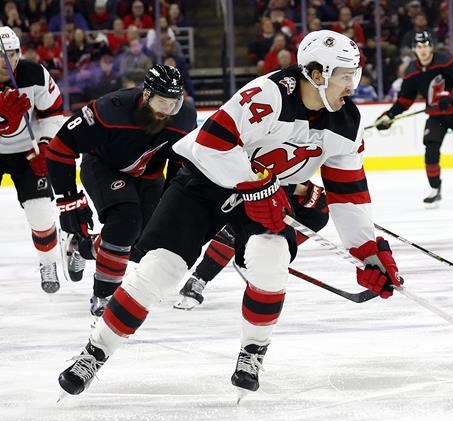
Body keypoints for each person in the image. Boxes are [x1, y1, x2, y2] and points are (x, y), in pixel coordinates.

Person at [57, 30, 402, 398]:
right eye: (345, 76)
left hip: (266, 191)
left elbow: (349, 194)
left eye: (354, 74)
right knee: (160, 269)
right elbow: (212, 144)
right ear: (317, 74)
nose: (352, 85)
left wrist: (366, 251)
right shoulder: (268, 95)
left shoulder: (348, 124)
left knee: (271, 258)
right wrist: (258, 184)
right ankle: (94, 353)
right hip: (206, 182)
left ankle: (252, 352)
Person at [45, 64, 197, 318]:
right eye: (162, 102)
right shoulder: (110, 109)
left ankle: (81, 247)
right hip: (104, 167)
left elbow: (180, 162)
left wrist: (173, 202)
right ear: (146, 95)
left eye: (174, 103)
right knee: (126, 221)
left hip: (148, 177)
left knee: (142, 244)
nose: (168, 110)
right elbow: (59, 149)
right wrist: (69, 201)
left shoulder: (185, 118)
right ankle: (104, 298)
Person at [375, 31, 453, 207]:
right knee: (431, 150)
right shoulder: (411, 71)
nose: (423, 50)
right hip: (437, 116)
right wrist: (389, 115)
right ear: (414, 49)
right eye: (419, 46)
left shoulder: (447, 60)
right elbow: (405, 100)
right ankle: (435, 189)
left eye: (426, 46)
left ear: (432, 47)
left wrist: (451, 94)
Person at [174, 181, 329, 310]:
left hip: (283, 189)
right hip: (251, 187)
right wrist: (300, 189)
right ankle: (199, 279)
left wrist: (311, 192)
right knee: (245, 221)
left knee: (319, 214)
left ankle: (265, 257)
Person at [0, 26, 65, 293]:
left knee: (40, 212)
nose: (7, 61)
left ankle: (48, 263)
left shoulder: (35, 74)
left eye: (12, 54)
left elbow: (53, 113)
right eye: (1, 55)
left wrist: (46, 147)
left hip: (28, 152)